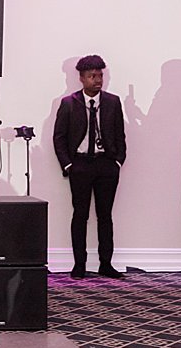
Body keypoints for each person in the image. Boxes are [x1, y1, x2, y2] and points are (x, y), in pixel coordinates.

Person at [52, 54, 127, 278]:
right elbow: (59, 137)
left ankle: (106, 263)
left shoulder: (112, 102)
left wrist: (117, 161)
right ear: (81, 79)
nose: (98, 80)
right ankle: (79, 264)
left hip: (106, 165)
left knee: (105, 216)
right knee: (80, 215)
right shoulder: (69, 103)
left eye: (100, 75)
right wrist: (68, 165)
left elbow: (120, 135)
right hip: (80, 165)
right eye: (92, 76)